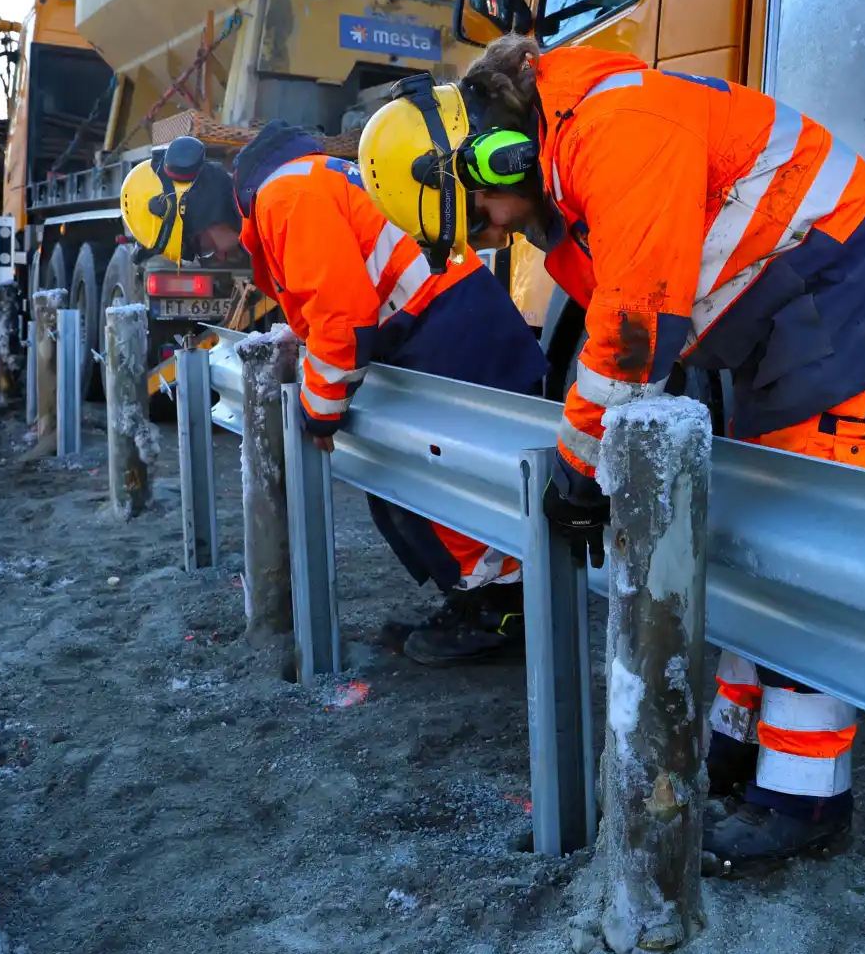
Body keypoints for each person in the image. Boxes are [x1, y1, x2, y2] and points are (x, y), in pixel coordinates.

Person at [358, 38, 865, 869]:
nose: (496, 229)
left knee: (802, 564)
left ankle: (806, 799)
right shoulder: (565, 167)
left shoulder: (615, 128)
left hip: (839, 297)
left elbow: (633, 326)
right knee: (754, 545)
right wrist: (588, 460)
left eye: (482, 211)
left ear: (498, 153)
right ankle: (738, 746)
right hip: (785, 309)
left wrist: (580, 468)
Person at [118, 129, 547, 664]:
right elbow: (328, 302)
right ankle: (475, 600)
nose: (214, 254)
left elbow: (341, 316)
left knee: (442, 488)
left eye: (201, 245)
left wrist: (319, 412)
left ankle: (500, 609)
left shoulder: (284, 198)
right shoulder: (283, 191)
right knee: (405, 491)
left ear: (196, 206)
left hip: (449, 325)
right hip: (437, 320)